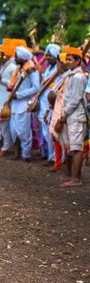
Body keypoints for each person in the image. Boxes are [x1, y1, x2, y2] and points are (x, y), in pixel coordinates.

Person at [53, 48, 86, 187]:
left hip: (76, 116)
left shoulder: (78, 77)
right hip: (71, 115)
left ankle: (76, 179)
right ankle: (72, 176)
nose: (67, 62)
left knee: (76, 148)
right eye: (66, 59)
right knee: (71, 147)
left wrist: (63, 116)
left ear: (78, 61)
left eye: (70, 60)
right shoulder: (71, 75)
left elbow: (75, 100)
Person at [9, 46, 40, 161]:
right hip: (14, 104)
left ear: (22, 58)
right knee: (14, 130)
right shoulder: (18, 69)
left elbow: (36, 88)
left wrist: (19, 95)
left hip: (24, 104)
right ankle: (16, 153)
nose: (15, 58)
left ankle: (26, 155)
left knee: (24, 131)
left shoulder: (31, 70)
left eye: (16, 57)